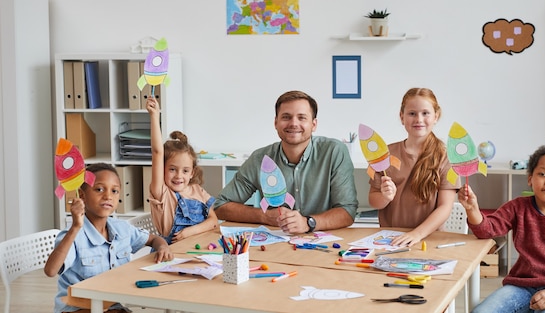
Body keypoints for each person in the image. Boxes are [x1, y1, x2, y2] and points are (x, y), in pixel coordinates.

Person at [458, 143, 545, 313]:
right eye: (542, 174)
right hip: (523, 286)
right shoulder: (517, 207)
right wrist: (472, 209)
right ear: (530, 179)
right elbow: (487, 230)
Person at [214, 90, 358, 233]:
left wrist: (308, 223)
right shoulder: (260, 159)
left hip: (325, 242)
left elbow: (347, 211)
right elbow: (220, 206)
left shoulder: (334, 151)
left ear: (313, 124)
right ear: (276, 123)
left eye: (302, 118)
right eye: (286, 117)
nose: (293, 123)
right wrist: (264, 216)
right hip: (276, 245)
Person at [44, 163, 173, 313]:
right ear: (82, 195)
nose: (108, 196)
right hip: (77, 309)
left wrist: (163, 246)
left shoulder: (122, 228)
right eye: (99, 189)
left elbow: (154, 239)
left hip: (112, 306)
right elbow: (51, 270)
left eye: (114, 191)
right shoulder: (73, 234)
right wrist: (75, 228)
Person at [368, 87, 459, 247]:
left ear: (436, 116)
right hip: (391, 240)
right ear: (402, 117)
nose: (418, 119)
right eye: (412, 113)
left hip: (429, 239)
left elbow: (445, 206)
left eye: (425, 113)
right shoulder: (384, 154)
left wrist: (417, 234)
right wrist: (385, 197)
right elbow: (373, 200)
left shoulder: (446, 157)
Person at [147, 96, 219, 243]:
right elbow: (157, 152)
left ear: (192, 172)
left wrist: (189, 232)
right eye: (172, 169)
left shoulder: (197, 190)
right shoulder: (161, 193)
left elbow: (213, 221)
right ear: (163, 169)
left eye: (185, 171)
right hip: (170, 253)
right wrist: (155, 116)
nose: (179, 176)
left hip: (197, 249)